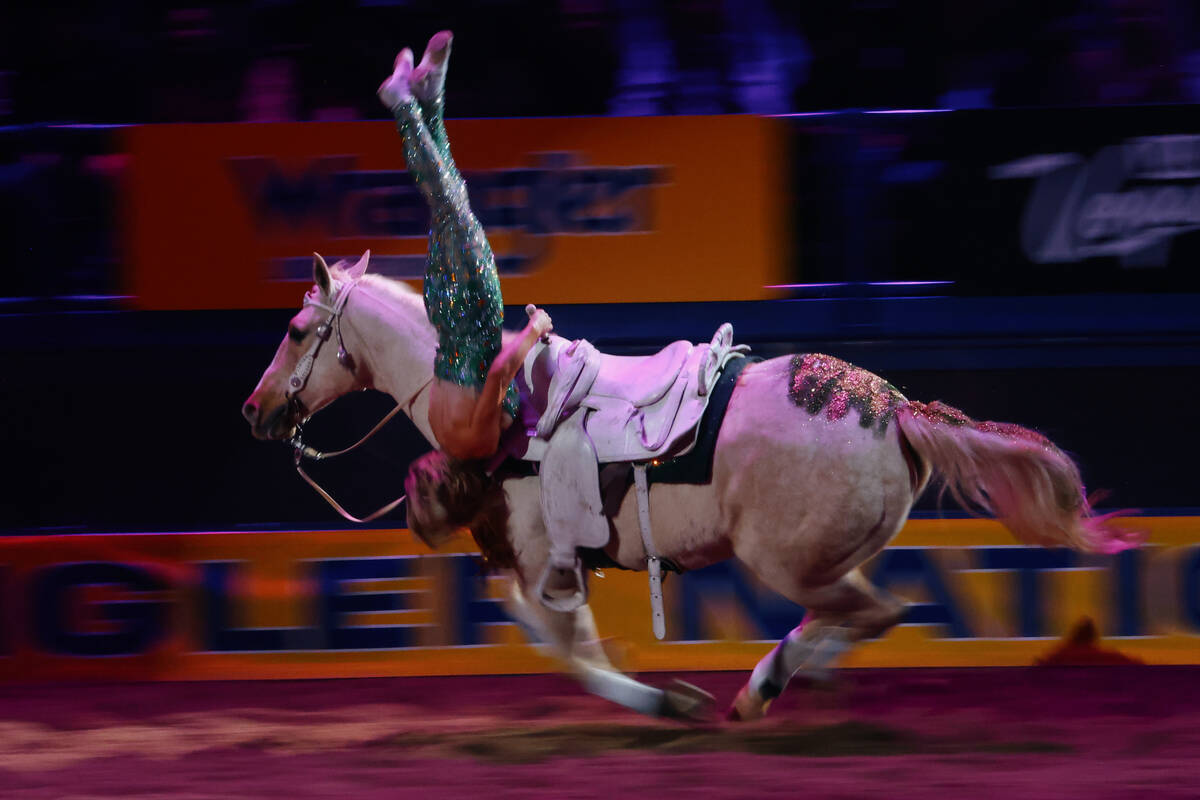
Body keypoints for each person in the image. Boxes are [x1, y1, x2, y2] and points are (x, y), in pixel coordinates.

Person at [380, 33, 582, 602]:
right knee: (452, 202)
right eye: (417, 481)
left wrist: (537, 331)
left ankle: (404, 103)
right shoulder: (444, 431)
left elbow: (497, 374)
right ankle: (429, 96)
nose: (413, 473)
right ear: (439, 478)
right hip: (445, 309)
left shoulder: (471, 444)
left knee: (450, 203)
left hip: (472, 307)